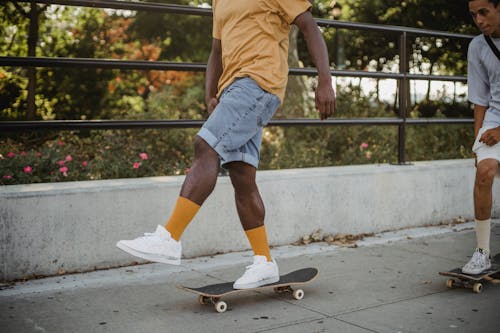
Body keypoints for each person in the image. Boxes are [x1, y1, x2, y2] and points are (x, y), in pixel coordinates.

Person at [117, 0, 336, 289]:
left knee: (205, 147)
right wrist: (210, 94)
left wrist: (324, 81)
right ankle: (264, 262)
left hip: (259, 81)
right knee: (242, 176)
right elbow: (216, 51)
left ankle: (169, 237)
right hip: (233, 87)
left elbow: (309, 27)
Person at [462, 0, 500, 274]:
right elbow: (479, 97)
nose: (478, 19)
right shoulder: (477, 46)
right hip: (495, 117)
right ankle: (482, 252)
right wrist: (478, 141)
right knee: (484, 172)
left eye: (484, 12)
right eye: (474, 14)